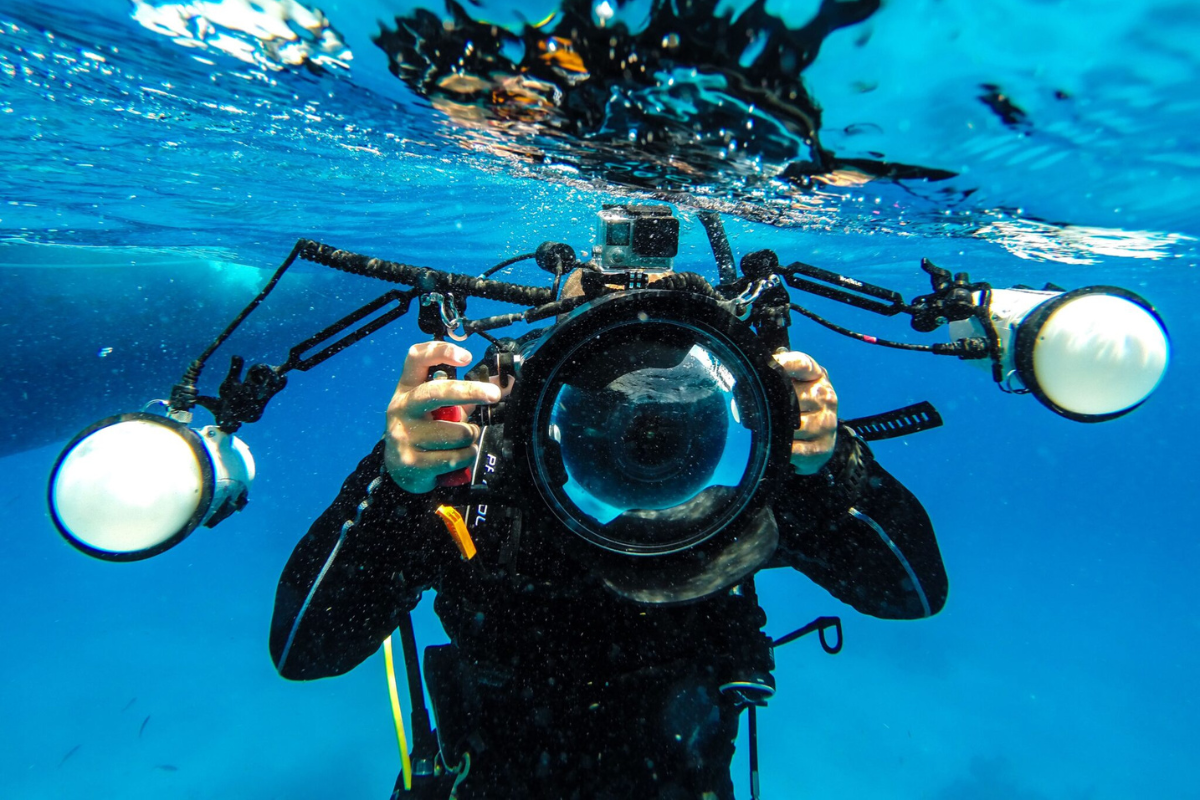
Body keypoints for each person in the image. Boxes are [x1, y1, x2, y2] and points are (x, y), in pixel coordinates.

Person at [270, 263, 948, 800]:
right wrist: (397, 484)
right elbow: (308, 648)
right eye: (606, 387)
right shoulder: (483, 469)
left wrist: (828, 462)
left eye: (677, 401)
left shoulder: (744, 494)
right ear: (545, 363)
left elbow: (911, 591)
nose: (645, 425)